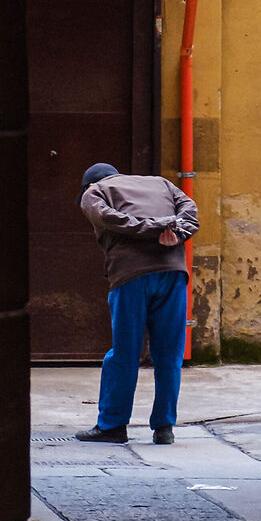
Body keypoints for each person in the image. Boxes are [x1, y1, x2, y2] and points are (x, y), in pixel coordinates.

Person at [73, 161, 199, 443]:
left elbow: (108, 219)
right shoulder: (161, 183)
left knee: (124, 353)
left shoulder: (94, 191)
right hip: (172, 273)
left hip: (131, 275)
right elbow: (190, 212)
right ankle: (164, 428)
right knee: (169, 354)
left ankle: (113, 426)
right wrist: (174, 232)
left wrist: (150, 228)